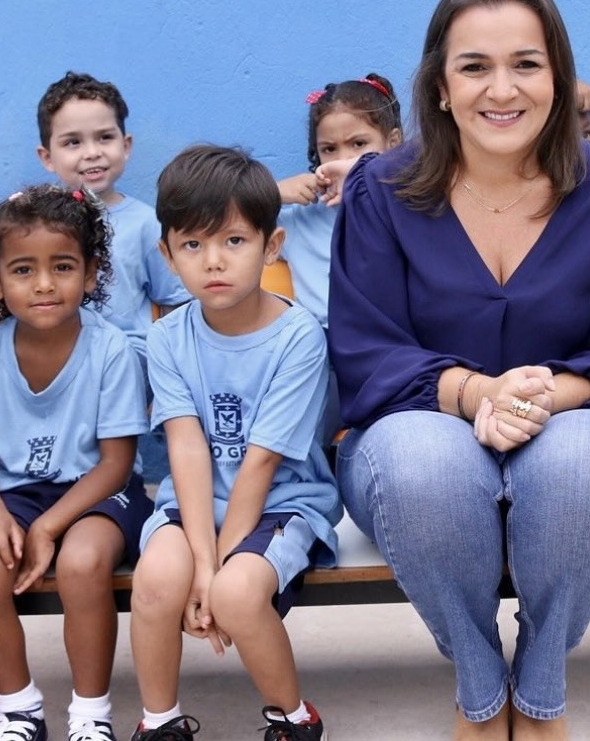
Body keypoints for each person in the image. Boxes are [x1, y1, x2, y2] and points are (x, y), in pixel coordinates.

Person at [327, 0, 590, 741]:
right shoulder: (381, 191)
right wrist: (475, 395)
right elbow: (366, 348)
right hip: (420, 422)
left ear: (557, 76)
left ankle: (540, 692)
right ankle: (481, 694)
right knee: (424, 466)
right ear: (440, 87)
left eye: (525, 63)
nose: (500, 89)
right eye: (473, 66)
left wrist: (536, 398)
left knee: (584, 466)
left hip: (571, 417)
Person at [127, 146, 340, 741]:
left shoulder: (298, 337)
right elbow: (187, 448)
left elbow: (263, 459)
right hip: (195, 500)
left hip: (280, 501)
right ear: (168, 255)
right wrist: (198, 563)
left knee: (237, 592)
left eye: (234, 241)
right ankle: (160, 722)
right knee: (156, 581)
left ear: (272, 247)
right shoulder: (167, 337)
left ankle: (293, 718)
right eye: (192, 245)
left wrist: (215, 572)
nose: (213, 261)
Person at [0, 185, 152, 741]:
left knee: (83, 562)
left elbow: (117, 463)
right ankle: (20, 711)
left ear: (90, 274)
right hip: (14, 494)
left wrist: (48, 527)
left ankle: (90, 714)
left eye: (62, 266)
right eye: (23, 270)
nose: (44, 284)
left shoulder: (110, 349)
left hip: (98, 492)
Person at [278, 74, 404, 444]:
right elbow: (212, 215)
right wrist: (270, 193)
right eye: (329, 149)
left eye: (359, 144)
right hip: (321, 352)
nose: (343, 159)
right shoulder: (301, 217)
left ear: (393, 144)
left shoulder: (409, 209)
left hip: (388, 348)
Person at [33, 72, 190, 366]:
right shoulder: (33, 224)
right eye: (73, 142)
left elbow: (175, 305)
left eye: (105, 137)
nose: (92, 153)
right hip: (56, 358)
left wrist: (169, 379)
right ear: (47, 157)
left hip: (127, 361)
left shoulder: (147, 224)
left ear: (126, 145)